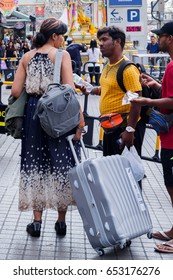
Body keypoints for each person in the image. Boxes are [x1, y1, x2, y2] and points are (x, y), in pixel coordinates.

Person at [11, 18, 85, 238]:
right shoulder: (62, 56)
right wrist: (80, 122)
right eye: (62, 35)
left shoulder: (26, 56)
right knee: (61, 162)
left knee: (35, 164)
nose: (63, 40)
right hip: (58, 114)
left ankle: (36, 222)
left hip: (34, 114)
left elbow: (15, 91)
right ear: (55, 36)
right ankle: (60, 222)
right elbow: (69, 90)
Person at [76, 26, 144, 185]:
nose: (100, 44)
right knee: (113, 177)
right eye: (100, 40)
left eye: (104, 40)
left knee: (127, 179)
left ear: (117, 41)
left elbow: (136, 99)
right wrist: (91, 89)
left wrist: (130, 130)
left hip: (124, 129)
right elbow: (109, 90)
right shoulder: (108, 65)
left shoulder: (127, 69)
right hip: (110, 127)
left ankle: (132, 209)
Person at [131, 21, 173, 253]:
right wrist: (156, 85)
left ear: (171, 38)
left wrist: (147, 101)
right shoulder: (171, 66)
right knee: (170, 185)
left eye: (162, 36)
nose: (159, 40)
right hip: (169, 137)